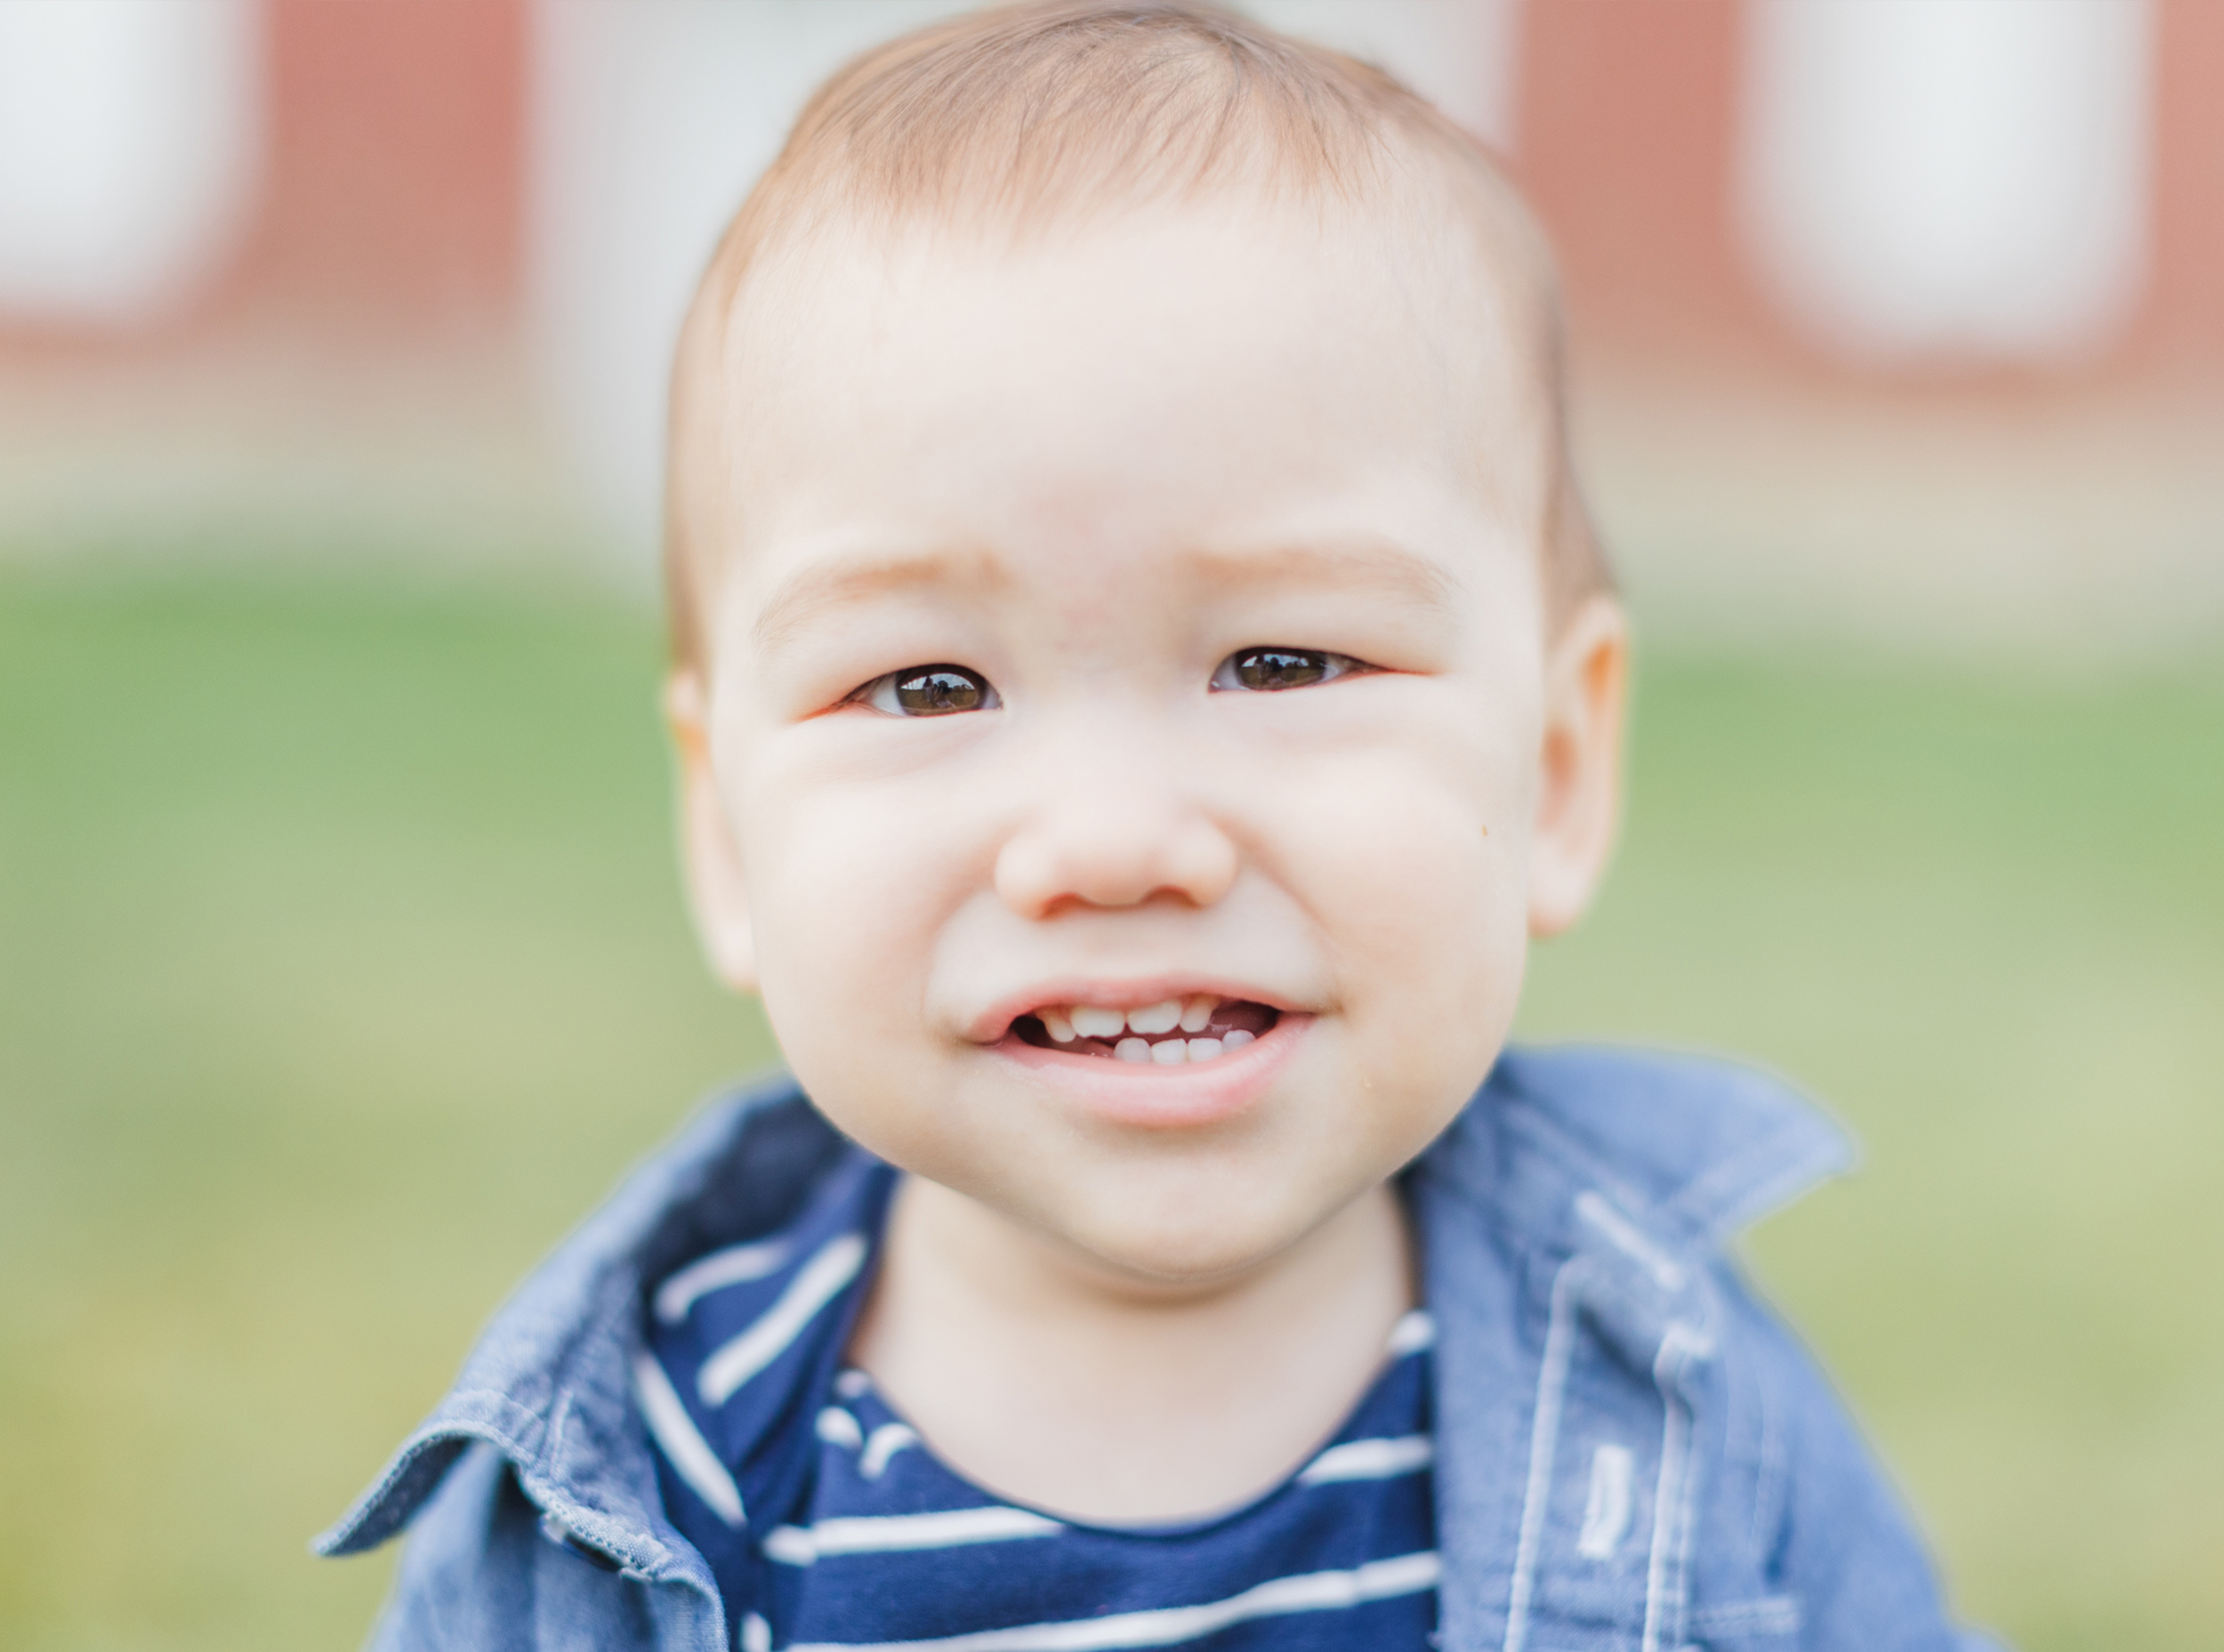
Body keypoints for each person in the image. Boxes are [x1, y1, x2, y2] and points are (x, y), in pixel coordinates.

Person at [320, 5, 2000, 1648]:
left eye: (1281, 661)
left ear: (1554, 771)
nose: (1115, 843)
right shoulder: (652, 1481)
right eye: (926, 687)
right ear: (726, 836)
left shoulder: (1672, 1396)